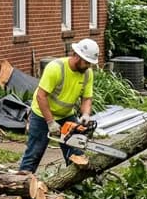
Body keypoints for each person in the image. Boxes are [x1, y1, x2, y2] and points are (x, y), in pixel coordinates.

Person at [18, 38, 99, 173]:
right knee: (34, 153)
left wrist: (85, 114)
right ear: (76, 56)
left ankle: (75, 185)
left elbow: (87, 98)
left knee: (75, 153)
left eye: (90, 63)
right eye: (86, 62)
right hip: (42, 115)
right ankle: (21, 183)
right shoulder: (56, 68)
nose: (88, 66)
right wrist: (50, 122)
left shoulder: (87, 73)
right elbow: (40, 96)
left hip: (67, 115)